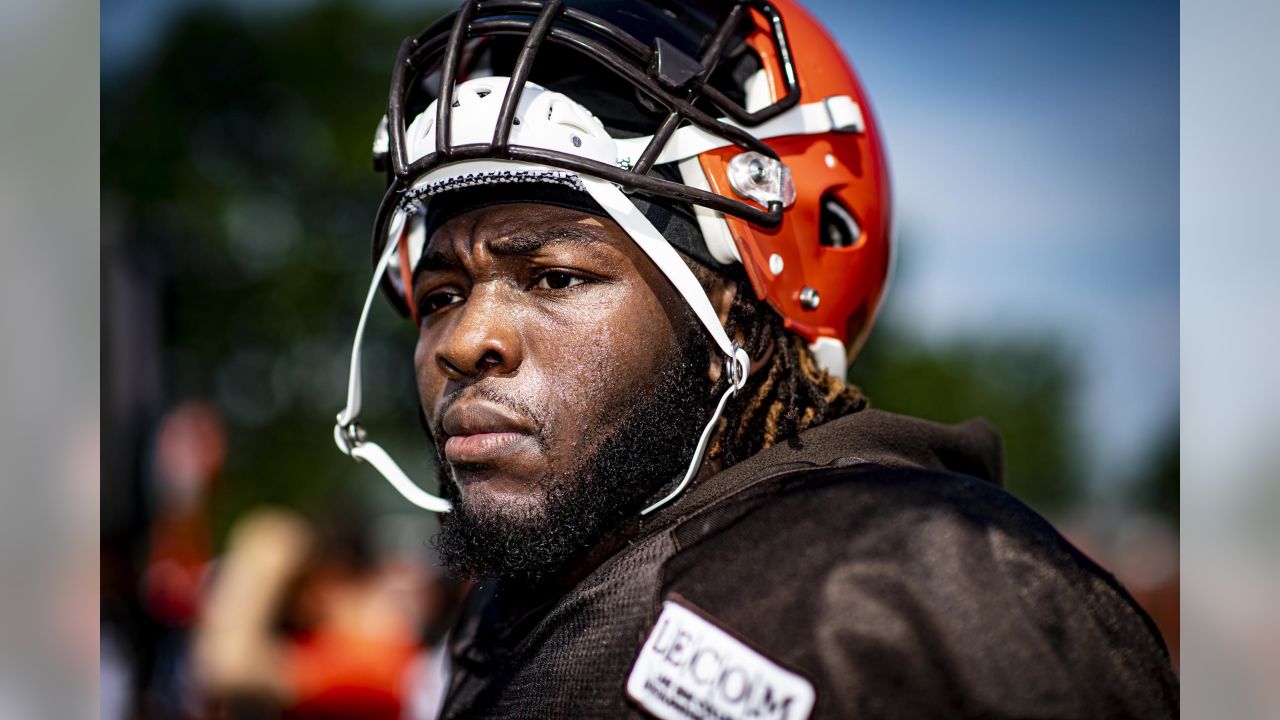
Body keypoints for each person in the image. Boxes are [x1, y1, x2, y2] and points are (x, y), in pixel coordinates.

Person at [330, 1, 1179, 717]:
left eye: (552, 276)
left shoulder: (927, 589)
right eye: (441, 295)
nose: (470, 341)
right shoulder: (508, 604)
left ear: (730, 311)